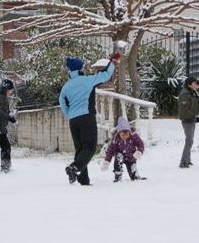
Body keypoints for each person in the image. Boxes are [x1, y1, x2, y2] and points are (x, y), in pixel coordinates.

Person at [59, 52, 121, 185]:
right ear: (81, 69)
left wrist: (70, 114)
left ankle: (83, 179)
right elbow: (105, 75)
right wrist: (113, 63)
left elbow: (62, 104)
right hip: (86, 117)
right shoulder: (87, 80)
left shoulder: (66, 87)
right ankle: (74, 168)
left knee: (80, 149)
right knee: (90, 147)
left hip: (73, 120)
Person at [101, 116, 146, 182]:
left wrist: (139, 151)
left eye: (127, 135)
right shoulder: (115, 140)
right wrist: (106, 162)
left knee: (134, 176)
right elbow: (110, 151)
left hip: (131, 156)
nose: (125, 137)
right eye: (123, 135)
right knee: (118, 157)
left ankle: (134, 176)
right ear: (119, 133)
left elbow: (141, 144)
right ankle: (118, 176)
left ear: (129, 132)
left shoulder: (134, 136)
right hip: (121, 156)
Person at [177, 76, 199, 168]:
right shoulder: (185, 95)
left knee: (190, 141)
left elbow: (192, 107)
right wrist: (193, 117)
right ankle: (183, 162)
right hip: (187, 120)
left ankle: (188, 160)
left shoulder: (192, 93)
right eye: (195, 83)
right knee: (189, 141)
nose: (197, 85)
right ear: (189, 85)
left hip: (191, 119)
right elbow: (184, 111)